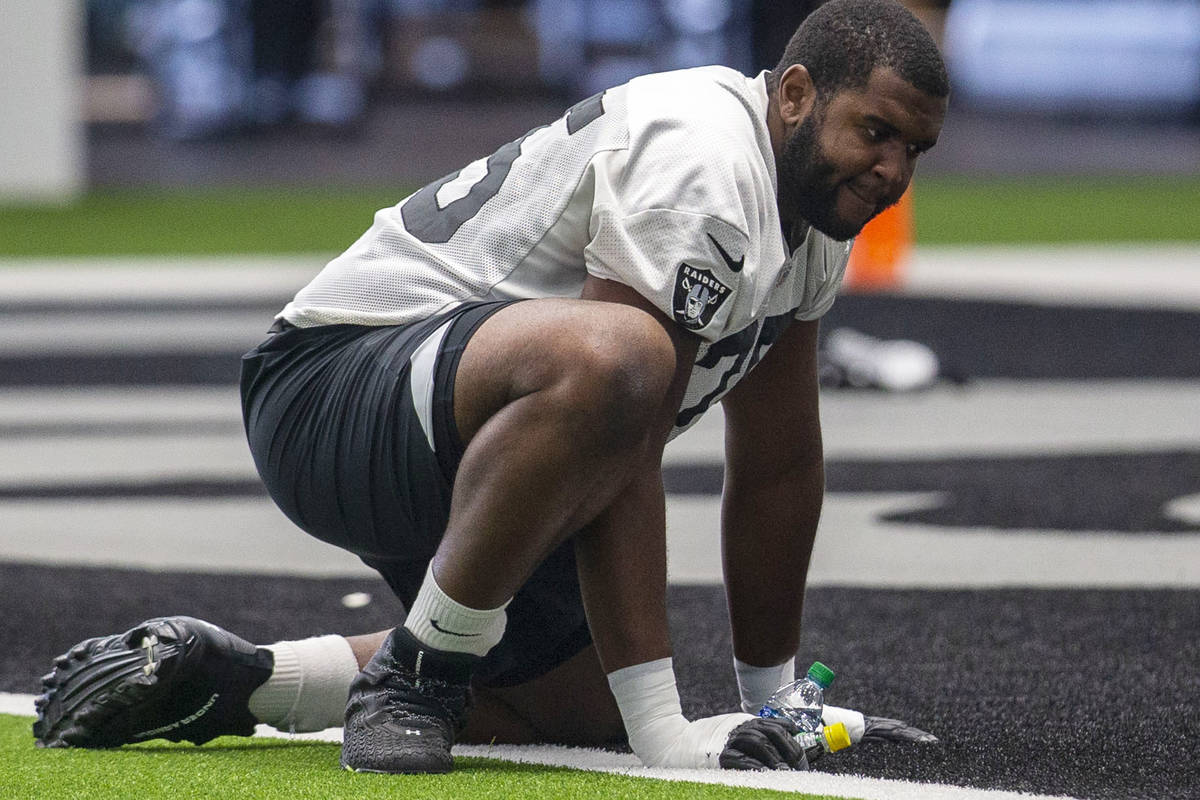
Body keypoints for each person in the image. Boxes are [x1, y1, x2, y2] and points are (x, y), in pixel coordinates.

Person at [34, 0, 948, 773]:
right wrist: (668, 735)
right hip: (328, 386)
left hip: (477, 437)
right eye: (876, 131)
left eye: (915, 149)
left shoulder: (813, 221)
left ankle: (234, 677)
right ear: (794, 94)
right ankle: (415, 675)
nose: (895, 172)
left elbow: (780, 464)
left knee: (575, 713)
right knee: (624, 358)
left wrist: (775, 700)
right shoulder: (705, 155)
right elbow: (624, 413)